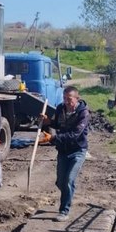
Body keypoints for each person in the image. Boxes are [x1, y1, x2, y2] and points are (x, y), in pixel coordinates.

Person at [42, 86, 91, 222]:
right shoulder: (60, 109)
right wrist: (48, 122)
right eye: (64, 99)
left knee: (69, 180)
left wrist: (53, 138)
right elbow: (58, 125)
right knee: (61, 182)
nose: (66, 102)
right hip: (63, 150)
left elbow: (75, 134)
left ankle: (64, 211)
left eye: (69, 99)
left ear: (77, 98)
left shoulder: (84, 113)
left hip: (77, 151)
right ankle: (67, 194)